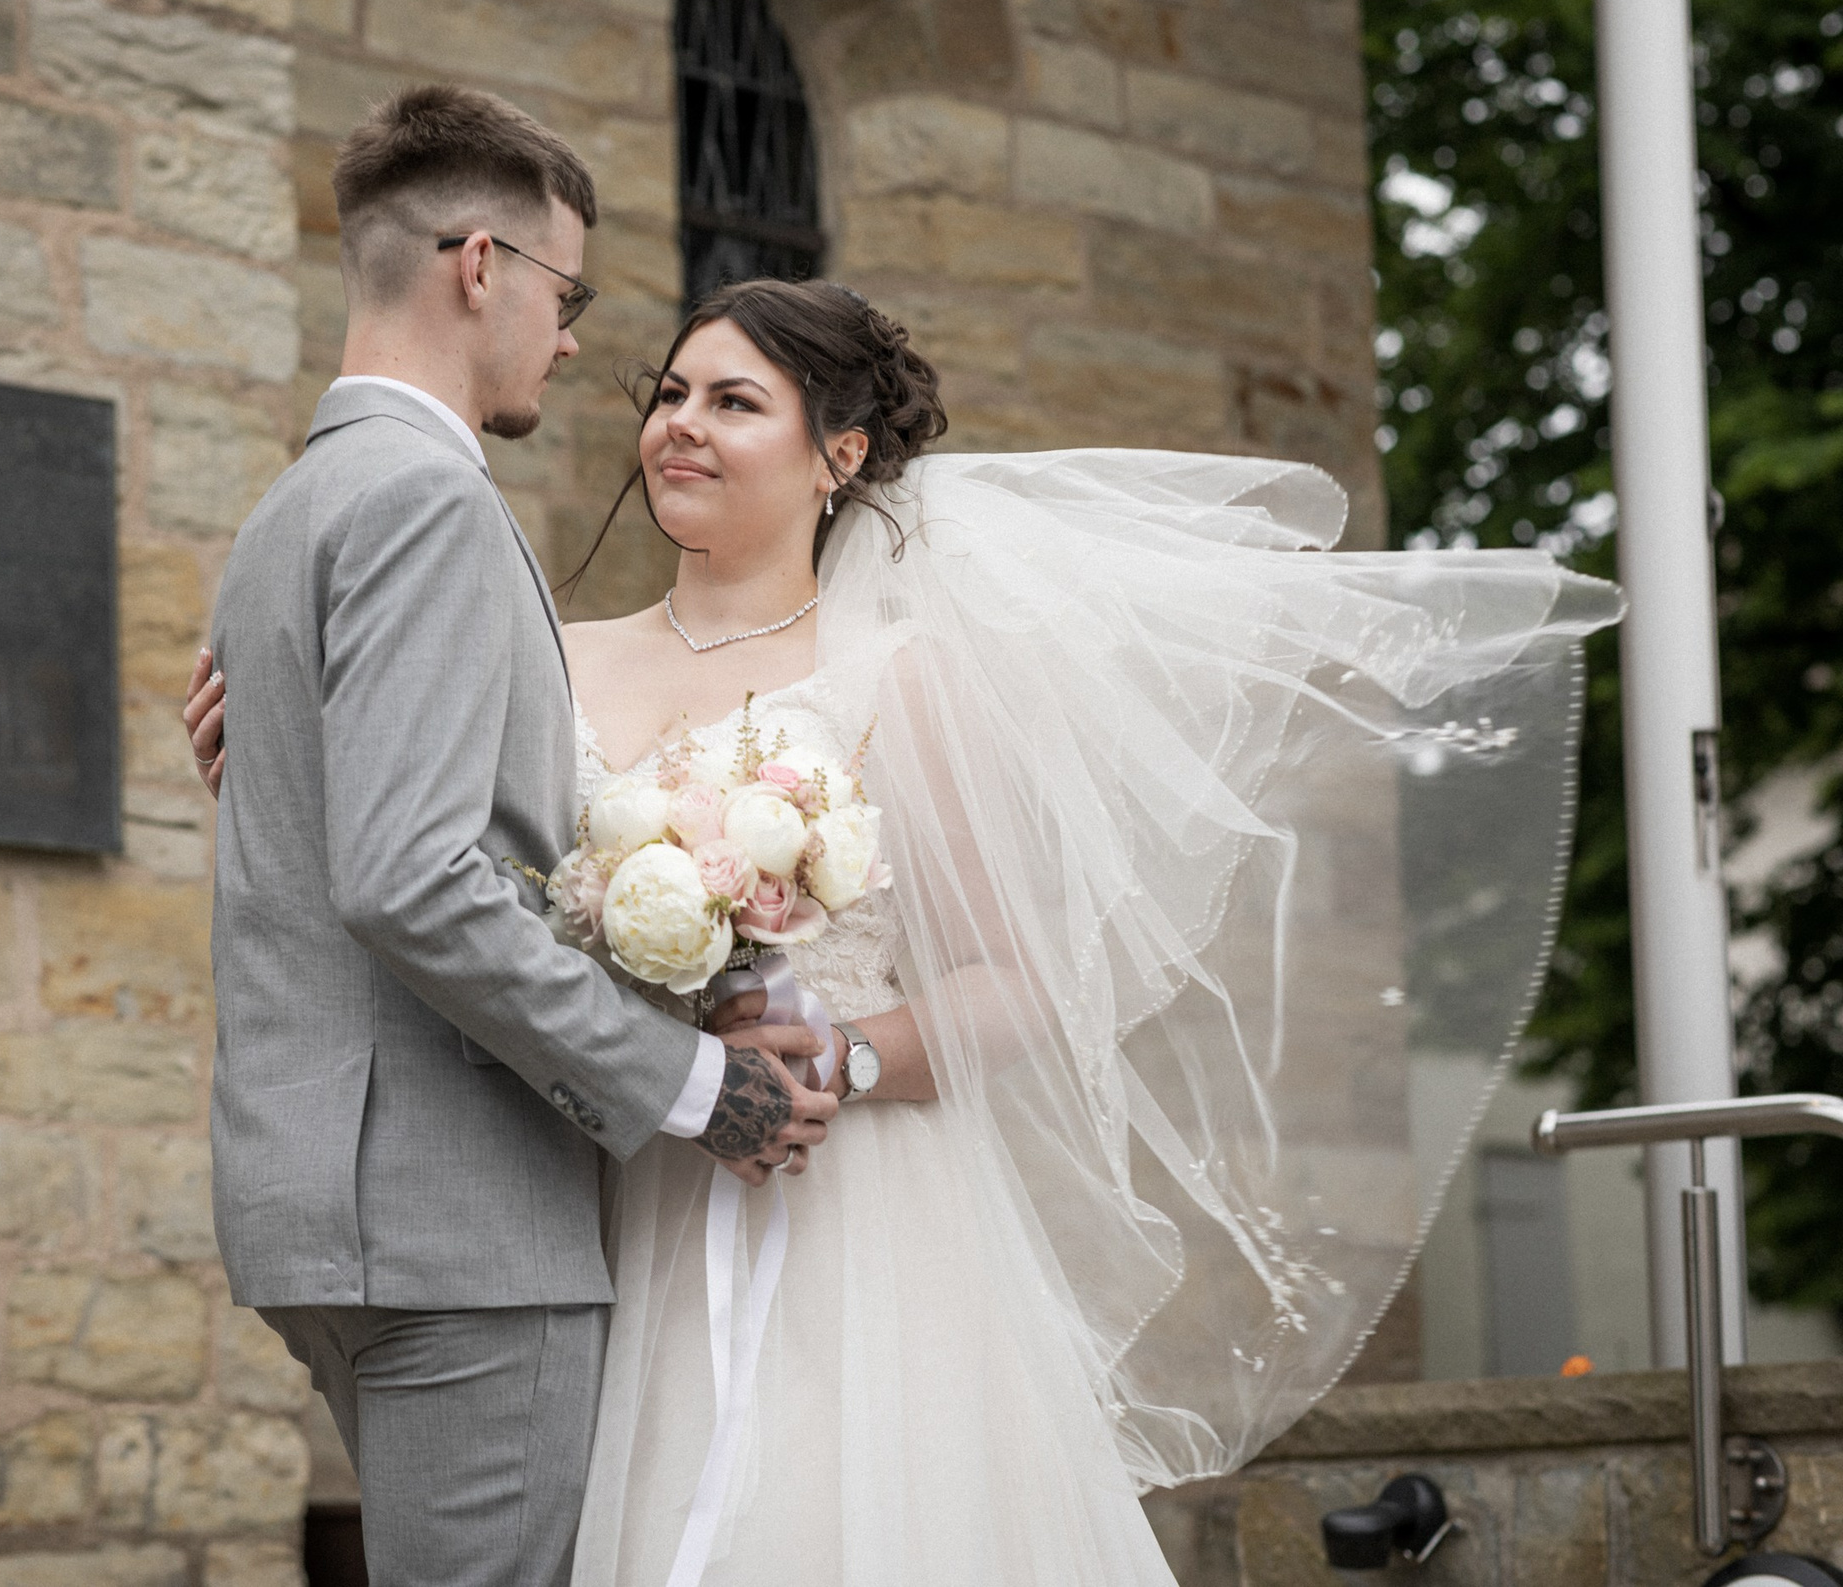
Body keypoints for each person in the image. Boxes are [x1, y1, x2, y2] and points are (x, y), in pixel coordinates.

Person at [194, 269, 1622, 1582]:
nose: (681, 426)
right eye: (671, 394)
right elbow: (439, 863)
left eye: (734, 402)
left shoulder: (898, 681)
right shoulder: (552, 659)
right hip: (612, 1192)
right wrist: (275, 750)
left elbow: (1014, 982)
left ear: (841, 453)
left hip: (848, 1216)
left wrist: (842, 1055)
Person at [201, 85, 836, 1587]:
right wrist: (696, 1085)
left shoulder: (289, 508)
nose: (566, 341)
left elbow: (359, 821)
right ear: (480, 266)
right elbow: (414, 878)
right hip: (457, 1218)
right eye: (567, 295)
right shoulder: (429, 499)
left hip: (329, 1197)